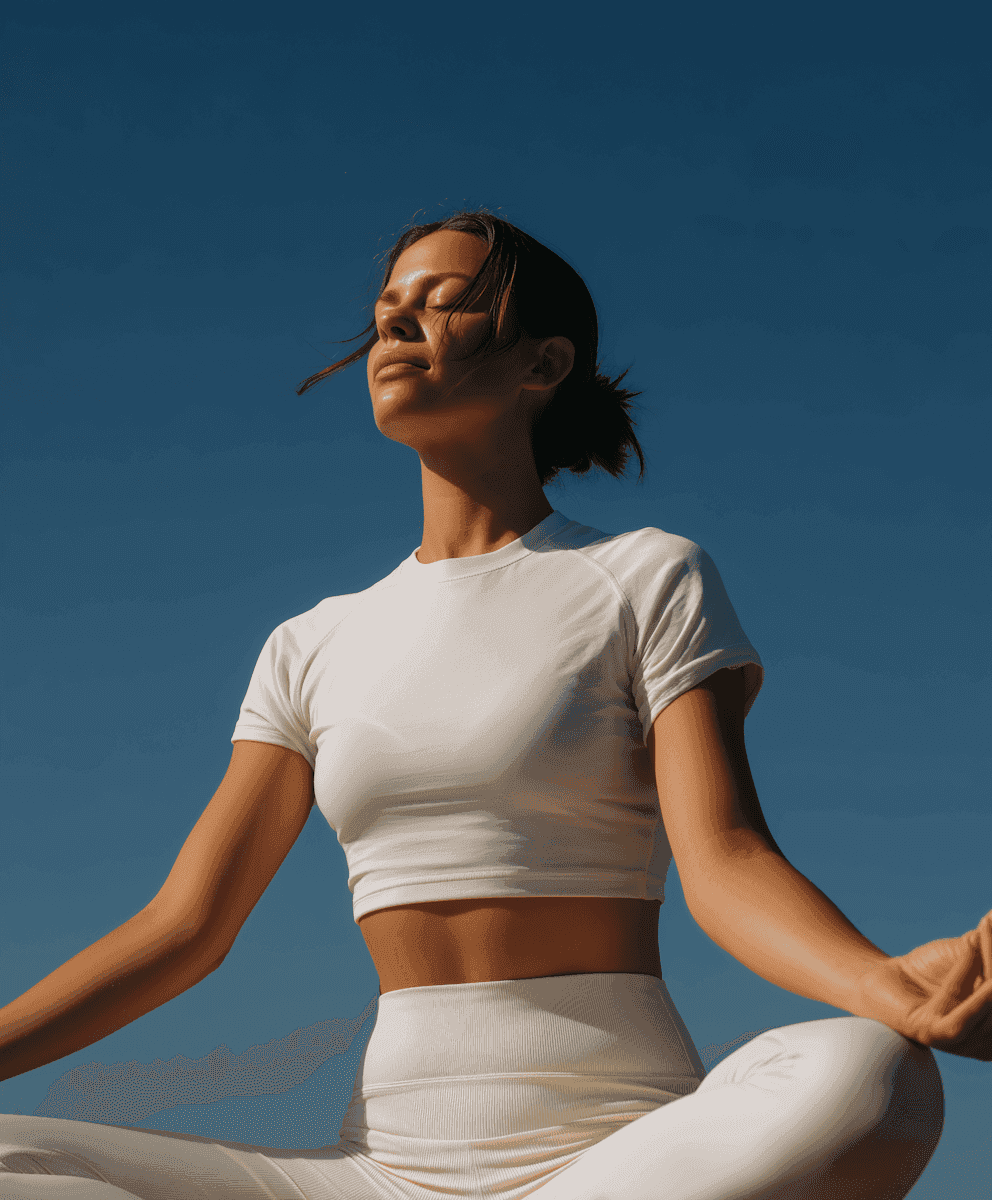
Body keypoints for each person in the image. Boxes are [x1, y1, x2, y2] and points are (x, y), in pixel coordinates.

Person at [0, 209, 988, 1200]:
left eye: (444, 304)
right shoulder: (309, 643)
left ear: (542, 363)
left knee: (870, 1079)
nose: (397, 325)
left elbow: (725, 862)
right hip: (377, 1170)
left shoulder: (641, 576)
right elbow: (185, 927)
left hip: (617, 1158)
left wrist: (892, 988)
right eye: (388, 308)